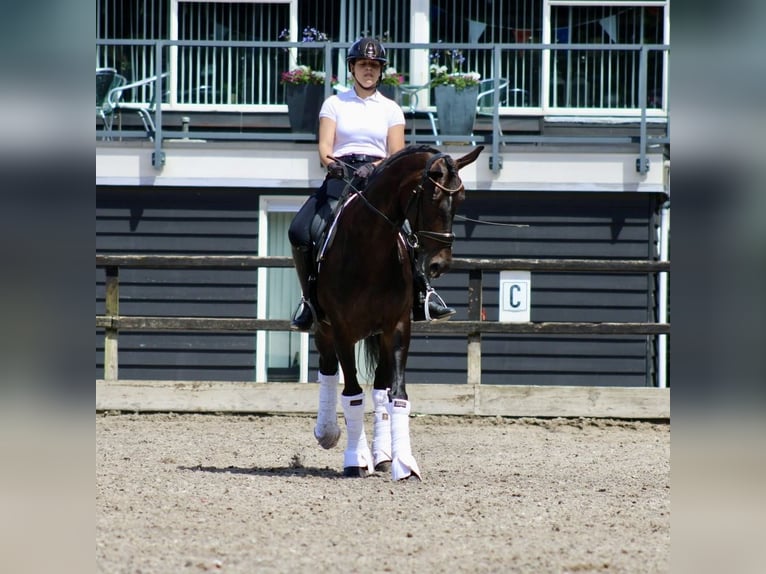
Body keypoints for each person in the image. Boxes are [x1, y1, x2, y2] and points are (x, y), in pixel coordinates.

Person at [287, 37, 455, 331]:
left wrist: (374, 168)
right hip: (341, 176)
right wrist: (336, 164)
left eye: (374, 66)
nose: (369, 70)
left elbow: (397, 154)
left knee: (408, 229)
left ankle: (423, 294)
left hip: (380, 178)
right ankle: (309, 300)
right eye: (363, 64)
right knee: (300, 229)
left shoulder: (391, 109)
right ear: (352, 67)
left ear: (381, 71)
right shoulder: (334, 103)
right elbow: (325, 147)